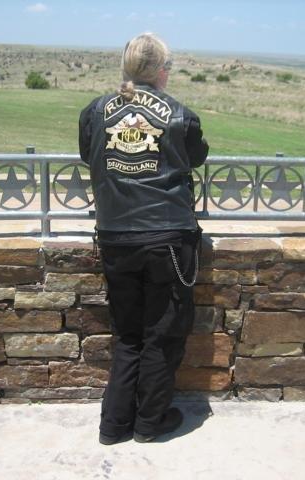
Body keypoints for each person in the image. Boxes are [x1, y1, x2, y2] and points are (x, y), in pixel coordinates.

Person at [78, 32, 209, 445]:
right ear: (162, 71)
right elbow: (197, 156)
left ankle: (114, 425)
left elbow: (87, 154)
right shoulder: (181, 115)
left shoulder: (94, 111)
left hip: (115, 236)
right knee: (162, 334)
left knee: (128, 334)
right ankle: (150, 422)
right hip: (167, 237)